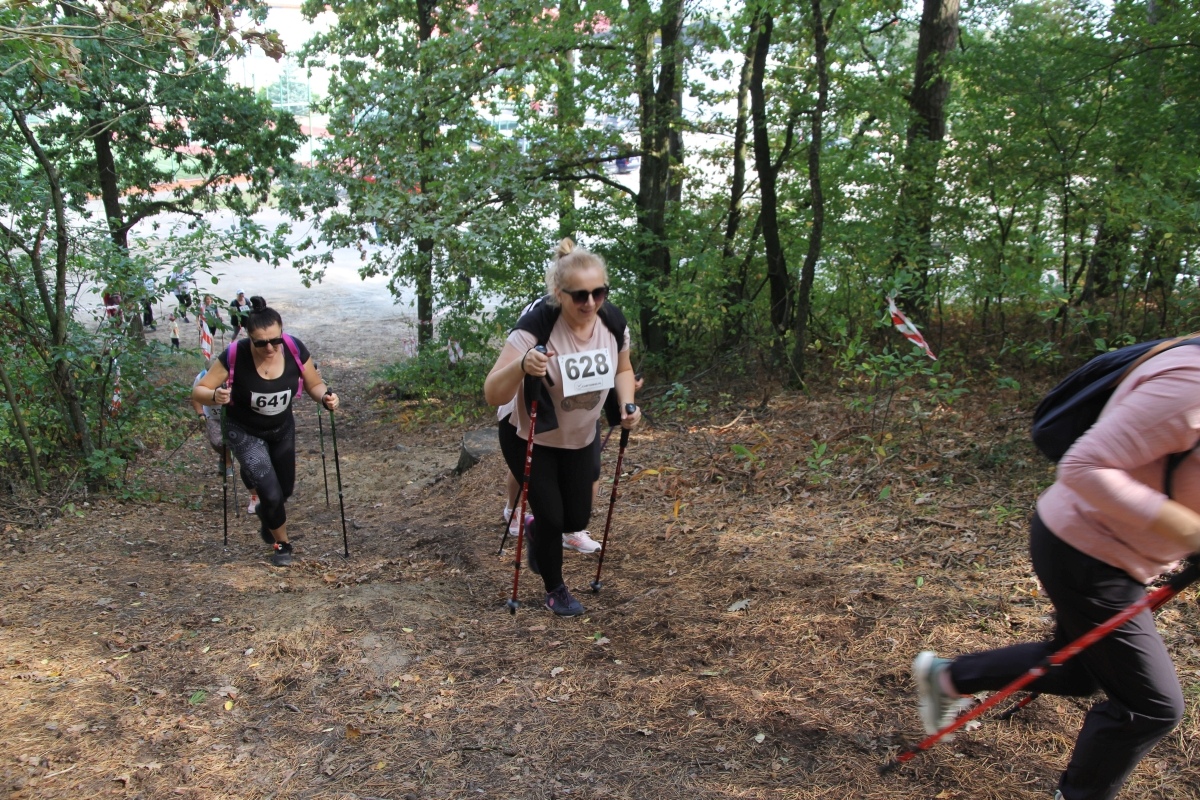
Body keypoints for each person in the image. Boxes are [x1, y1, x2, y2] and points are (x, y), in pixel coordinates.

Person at [912, 344, 1200, 800]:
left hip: (1114, 553)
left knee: (1081, 671)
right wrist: (1191, 530)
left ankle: (948, 676)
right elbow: (1084, 466)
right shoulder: (1192, 384)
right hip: (1088, 551)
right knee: (1150, 707)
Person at [484, 238, 640, 616]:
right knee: (553, 517)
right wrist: (521, 365)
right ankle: (556, 589)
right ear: (559, 292)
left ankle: (538, 530)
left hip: (580, 434)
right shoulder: (536, 325)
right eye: (580, 295)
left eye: (599, 292)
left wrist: (626, 404)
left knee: (576, 518)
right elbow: (492, 392)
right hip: (529, 433)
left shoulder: (612, 322)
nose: (590, 303)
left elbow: (622, 369)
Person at [192, 296, 340, 567]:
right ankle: (282, 544)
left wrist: (326, 398)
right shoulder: (234, 355)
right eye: (261, 342)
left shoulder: (295, 348)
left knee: (284, 491)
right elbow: (199, 391)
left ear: (282, 334)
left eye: (275, 340)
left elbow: (314, 384)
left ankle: (268, 515)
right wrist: (216, 396)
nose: (270, 347)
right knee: (270, 493)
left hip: (281, 428)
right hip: (243, 431)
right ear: (250, 338)